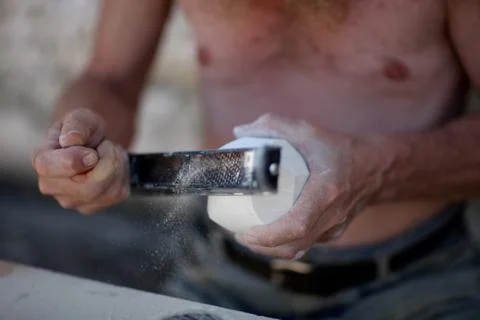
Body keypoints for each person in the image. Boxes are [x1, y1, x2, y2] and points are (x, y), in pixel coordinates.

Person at [32, 1, 480, 319]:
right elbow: (108, 78)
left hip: (418, 280)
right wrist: (77, 146)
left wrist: (373, 170)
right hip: (224, 273)